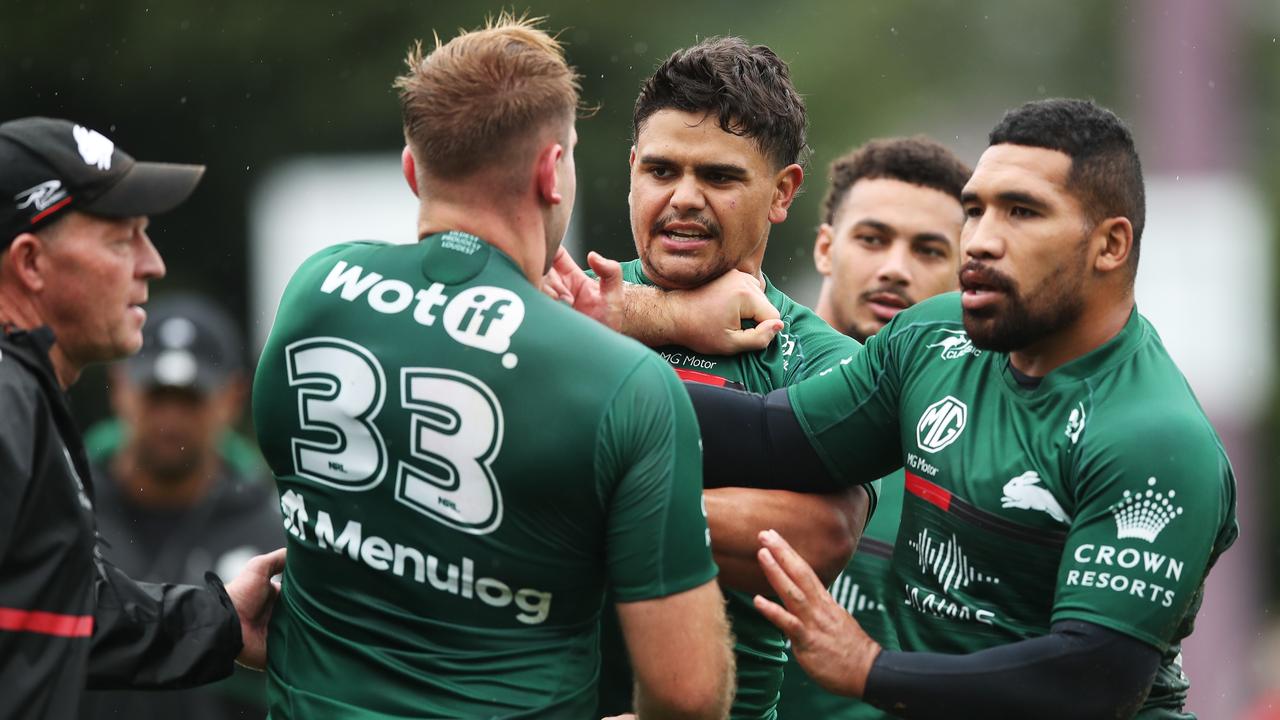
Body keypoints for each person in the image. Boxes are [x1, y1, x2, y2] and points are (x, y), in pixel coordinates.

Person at [681, 98, 1238, 719]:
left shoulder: (1152, 435)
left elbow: (1092, 678)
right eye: (974, 211)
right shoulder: (933, 338)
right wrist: (600, 381)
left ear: (1110, 245)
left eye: (1022, 212)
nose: (980, 241)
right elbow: (772, 437)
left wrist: (869, 668)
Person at [251, 14, 733, 719]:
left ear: (414, 170)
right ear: (551, 172)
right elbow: (688, 697)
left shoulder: (314, 290)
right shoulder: (624, 384)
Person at [568, 37, 871, 720]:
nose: (683, 199)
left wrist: (577, 504)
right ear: (631, 172)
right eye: (661, 170)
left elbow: (819, 539)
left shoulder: (823, 359)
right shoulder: (565, 300)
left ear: (782, 193)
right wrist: (664, 313)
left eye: (720, 177)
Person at [0, 116, 284, 720]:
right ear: (30, 263)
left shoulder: (23, 395)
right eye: (121, 238)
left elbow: (68, 610)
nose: (152, 263)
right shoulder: (7, 399)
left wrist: (223, 620)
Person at [776, 136, 969, 720]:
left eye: (929, 250)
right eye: (872, 239)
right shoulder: (746, 392)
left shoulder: (983, 451)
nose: (894, 268)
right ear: (826, 249)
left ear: (967, 275)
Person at [81, 294, 285, 720]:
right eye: (156, 395)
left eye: (191, 398)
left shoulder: (275, 537)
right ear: (120, 386)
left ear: (232, 397)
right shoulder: (65, 510)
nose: (171, 417)